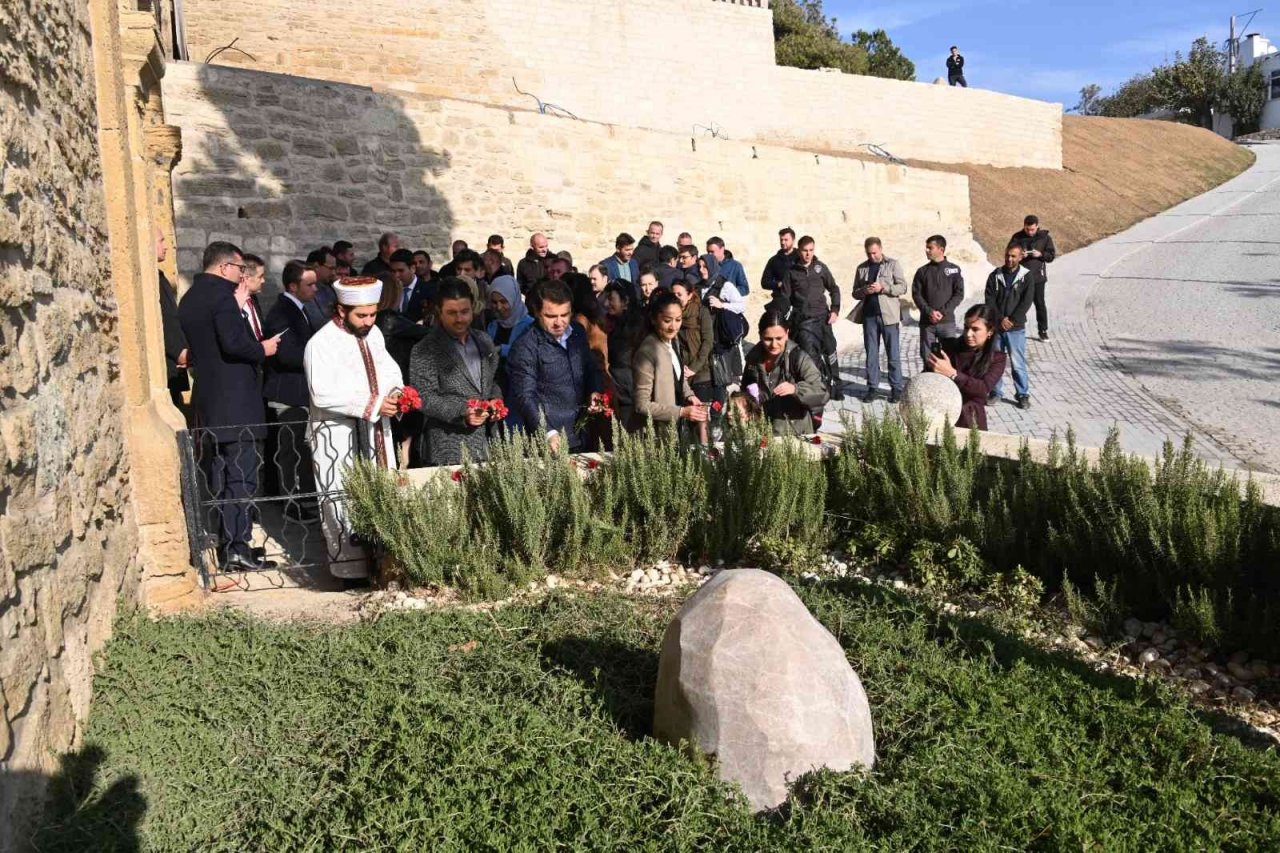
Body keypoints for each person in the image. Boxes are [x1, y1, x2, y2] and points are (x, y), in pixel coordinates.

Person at [178, 241, 281, 571]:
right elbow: (234, 342)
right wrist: (262, 349)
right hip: (236, 401)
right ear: (224, 267)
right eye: (239, 269)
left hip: (211, 399)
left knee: (225, 475)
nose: (242, 276)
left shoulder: (191, 296)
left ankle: (233, 544)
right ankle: (236, 547)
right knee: (241, 477)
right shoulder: (221, 296)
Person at [304, 276, 405, 580]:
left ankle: (385, 567)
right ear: (340, 309)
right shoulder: (320, 343)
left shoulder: (374, 335)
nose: (368, 321)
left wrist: (396, 393)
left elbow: (390, 370)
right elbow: (320, 391)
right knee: (342, 497)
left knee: (382, 493)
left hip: (376, 433)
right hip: (338, 435)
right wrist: (372, 403)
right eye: (361, 315)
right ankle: (349, 573)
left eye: (373, 314)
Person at [408, 277, 502, 466]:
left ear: (473, 309)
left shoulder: (483, 340)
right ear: (439, 312)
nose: (459, 319)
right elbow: (423, 397)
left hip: (486, 443)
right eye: (451, 313)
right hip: (447, 447)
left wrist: (495, 401)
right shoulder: (425, 348)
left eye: (464, 312)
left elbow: (491, 382)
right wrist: (462, 412)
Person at [507, 279, 605, 452]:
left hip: (581, 432)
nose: (559, 322)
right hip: (549, 441)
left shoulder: (577, 332)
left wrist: (594, 391)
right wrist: (548, 432)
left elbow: (591, 368)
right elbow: (525, 395)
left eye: (565, 315)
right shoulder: (525, 345)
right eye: (551, 316)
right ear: (537, 312)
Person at [263, 260, 320, 520]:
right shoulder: (281, 313)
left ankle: (304, 500)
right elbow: (286, 355)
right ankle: (291, 503)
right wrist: (319, 356)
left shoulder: (299, 309)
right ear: (293, 286)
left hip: (299, 392)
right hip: (287, 392)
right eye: (309, 284)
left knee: (300, 448)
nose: (315, 289)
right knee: (291, 452)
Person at [630, 289, 709, 435]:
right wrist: (681, 412)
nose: (673, 327)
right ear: (654, 319)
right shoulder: (647, 352)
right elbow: (641, 405)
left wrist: (689, 395)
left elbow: (677, 377)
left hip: (672, 431)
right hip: (653, 437)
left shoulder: (673, 341)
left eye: (678, 320)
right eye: (667, 321)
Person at [775, 235, 842, 401]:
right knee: (811, 357)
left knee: (830, 351)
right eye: (805, 251)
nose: (808, 254)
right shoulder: (791, 272)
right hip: (804, 322)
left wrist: (834, 310)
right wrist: (783, 320)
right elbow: (785, 298)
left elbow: (834, 289)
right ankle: (819, 388)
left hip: (823, 318)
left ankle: (836, 386)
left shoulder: (820, 268)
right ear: (799, 250)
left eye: (811, 250)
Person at [742, 310, 829, 436]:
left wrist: (796, 389)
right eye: (768, 339)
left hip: (795, 433)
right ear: (760, 335)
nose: (774, 344)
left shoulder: (799, 358)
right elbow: (744, 391)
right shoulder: (752, 360)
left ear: (787, 334)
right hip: (763, 432)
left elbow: (822, 393)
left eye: (779, 338)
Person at [925, 304, 1007, 430]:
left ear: (989, 331)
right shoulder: (949, 346)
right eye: (966, 328)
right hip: (940, 416)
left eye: (975, 329)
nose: (968, 334)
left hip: (969, 420)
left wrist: (953, 373)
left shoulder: (997, 359)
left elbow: (983, 389)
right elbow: (927, 379)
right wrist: (933, 367)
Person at [851, 237, 908, 403]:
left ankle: (896, 388)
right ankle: (872, 388)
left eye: (875, 253)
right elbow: (855, 292)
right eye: (869, 253)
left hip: (889, 316)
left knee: (893, 354)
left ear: (881, 249)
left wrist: (883, 288)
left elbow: (902, 287)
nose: (872, 256)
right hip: (869, 316)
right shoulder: (862, 268)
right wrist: (865, 290)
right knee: (871, 354)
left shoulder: (893, 264)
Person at [984, 243, 1035, 409]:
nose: (1009, 259)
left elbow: (1026, 302)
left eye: (1013, 256)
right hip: (997, 328)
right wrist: (999, 320)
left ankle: (1022, 394)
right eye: (1007, 255)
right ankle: (995, 392)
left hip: (1016, 328)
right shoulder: (995, 275)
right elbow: (989, 301)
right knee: (994, 361)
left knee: (1017, 363)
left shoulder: (1027, 277)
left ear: (1020, 257)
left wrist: (1012, 319)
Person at [485, 274, 534, 425]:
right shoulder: (493, 325)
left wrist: (502, 349)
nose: (499, 307)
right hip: (496, 388)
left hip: (518, 390)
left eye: (504, 301)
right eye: (494, 302)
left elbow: (527, 352)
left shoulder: (529, 325)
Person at [911, 234, 965, 366]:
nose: (927, 250)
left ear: (941, 249)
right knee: (927, 355)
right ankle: (928, 381)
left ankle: (947, 383)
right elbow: (916, 294)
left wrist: (942, 312)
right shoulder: (922, 271)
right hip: (927, 323)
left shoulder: (954, 270)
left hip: (947, 322)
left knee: (949, 355)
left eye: (930, 248)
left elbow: (958, 294)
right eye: (927, 248)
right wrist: (929, 312)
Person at [673, 279, 715, 442]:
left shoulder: (701, 312)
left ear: (689, 295)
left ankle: (705, 451)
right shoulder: (673, 315)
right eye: (674, 294)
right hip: (682, 370)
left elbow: (708, 341)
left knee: (701, 415)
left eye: (680, 294)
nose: (676, 297)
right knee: (686, 416)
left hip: (701, 370)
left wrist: (695, 367)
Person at [1009, 214, 1057, 341]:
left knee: (1040, 304)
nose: (1030, 232)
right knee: (1016, 303)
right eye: (1027, 229)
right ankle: (1014, 328)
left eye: (1032, 229)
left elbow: (1051, 256)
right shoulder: (1017, 237)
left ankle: (1043, 330)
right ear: (1024, 226)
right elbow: (1010, 253)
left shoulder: (1045, 238)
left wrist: (1041, 254)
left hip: (1038, 278)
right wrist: (1019, 255)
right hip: (1021, 276)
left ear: (1037, 227)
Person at [602, 280, 641, 432]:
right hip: (620, 394)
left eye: (611, 299)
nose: (606, 303)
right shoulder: (615, 324)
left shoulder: (635, 328)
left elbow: (622, 361)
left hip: (628, 395)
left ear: (625, 302)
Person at [156, 229, 189, 410]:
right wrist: (179, 352)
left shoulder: (160, 278)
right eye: (161, 241)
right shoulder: (153, 280)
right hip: (168, 362)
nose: (165, 247)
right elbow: (165, 320)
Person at [388, 248, 427, 323]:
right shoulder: (389, 290)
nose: (396, 275)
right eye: (393, 271)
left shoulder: (427, 290)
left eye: (401, 271)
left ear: (412, 269)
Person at [304, 247, 338, 328]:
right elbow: (317, 322)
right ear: (316, 266)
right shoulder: (304, 291)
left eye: (335, 269)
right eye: (331, 268)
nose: (334, 273)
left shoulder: (329, 287)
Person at [240, 253, 268, 343]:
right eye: (260, 276)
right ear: (246, 278)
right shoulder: (233, 302)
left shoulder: (253, 299)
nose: (263, 281)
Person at [760, 227, 797, 293]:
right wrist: (779, 284)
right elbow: (764, 282)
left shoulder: (801, 257)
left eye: (786, 240)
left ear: (793, 240)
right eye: (781, 240)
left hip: (799, 297)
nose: (783, 242)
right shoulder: (774, 260)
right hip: (780, 297)